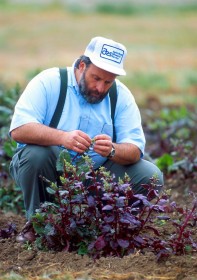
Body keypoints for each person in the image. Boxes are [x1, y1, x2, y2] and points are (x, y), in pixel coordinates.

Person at [9, 36, 163, 242]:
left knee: (151, 175)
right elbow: (19, 129)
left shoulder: (121, 97)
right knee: (36, 154)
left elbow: (135, 149)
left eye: (108, 82)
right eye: (96, 78)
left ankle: (104, 229)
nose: (100, 88)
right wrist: (62, 137)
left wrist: (113, 150)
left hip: (94, 179)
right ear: (82, 66)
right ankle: (38, 226)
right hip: (48, 174)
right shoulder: (49, 82)